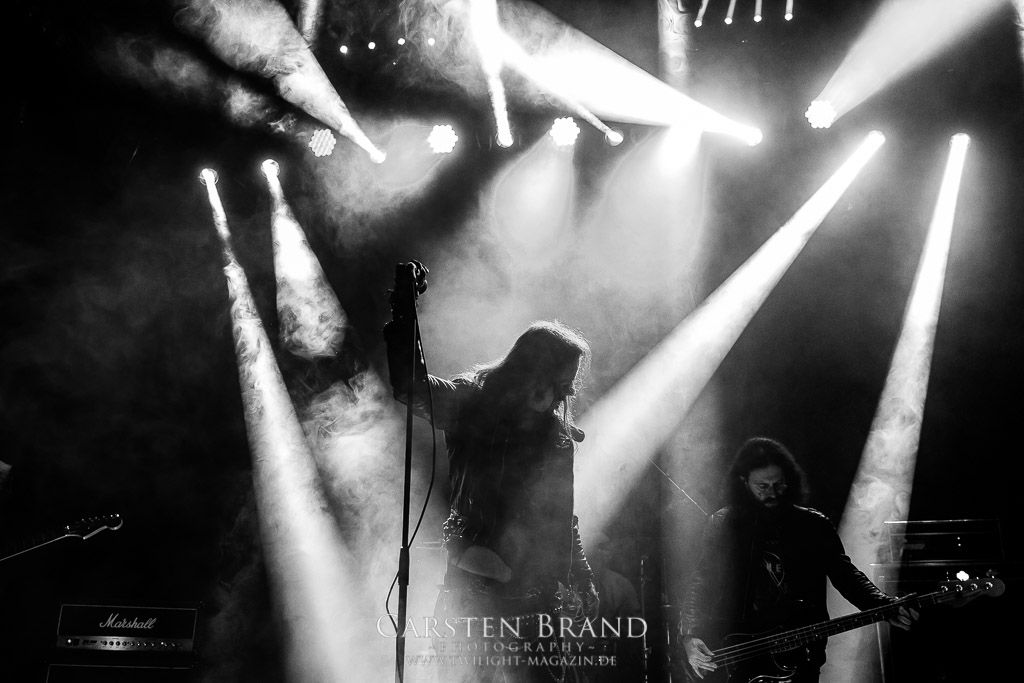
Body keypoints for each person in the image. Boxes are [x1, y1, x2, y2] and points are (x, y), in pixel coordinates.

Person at [384, 262, 597, 682]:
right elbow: (412, 387)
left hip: (535, 602)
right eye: (558, 382)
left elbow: (562, 516)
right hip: (474, 587)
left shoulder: (557, 436)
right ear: (530, 370)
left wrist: (580, 575)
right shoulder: (472, 403)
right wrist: (404, 314)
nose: (562, 394)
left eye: (568, 387)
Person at [680, 437, 917, 682]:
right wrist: (689, 634)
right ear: (744, 483)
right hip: (744, 652)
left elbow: (847, 577)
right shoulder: (724, 525)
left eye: (778, 484)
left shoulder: (813, 525)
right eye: (762, 486)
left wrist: (884, 605)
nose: (772, 493)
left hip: (801, 652)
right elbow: (703, 582)